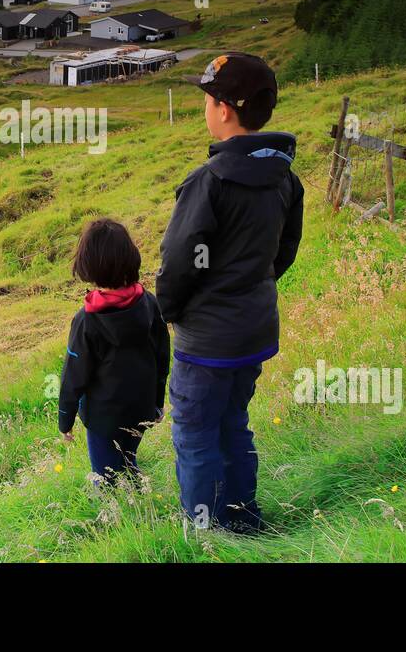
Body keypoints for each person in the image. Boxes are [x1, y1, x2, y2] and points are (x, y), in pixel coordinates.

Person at [156, 52, 304, 533]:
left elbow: (181, 259)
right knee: (233, 425)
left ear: (224, 109)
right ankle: (244, 521)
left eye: (206, 100)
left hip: (206, 341)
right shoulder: (285, 178)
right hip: (253, 330)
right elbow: (284, 250)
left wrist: (170, 309)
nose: (204, 109)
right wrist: (249, 286)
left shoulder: (208, 182)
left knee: (196, 435)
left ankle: (204, 534)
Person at [57, 218, 170, 484]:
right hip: (141, 408)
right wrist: (157, 402)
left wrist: (65, 421)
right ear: (130, 255)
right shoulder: (149, 303)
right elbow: (162, 357)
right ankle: (136, 495)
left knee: (105, 475)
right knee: (127, 459)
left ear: (88, 265)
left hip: (102, 419)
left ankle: (117, 515)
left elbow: (73, 377)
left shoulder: (86, 320)